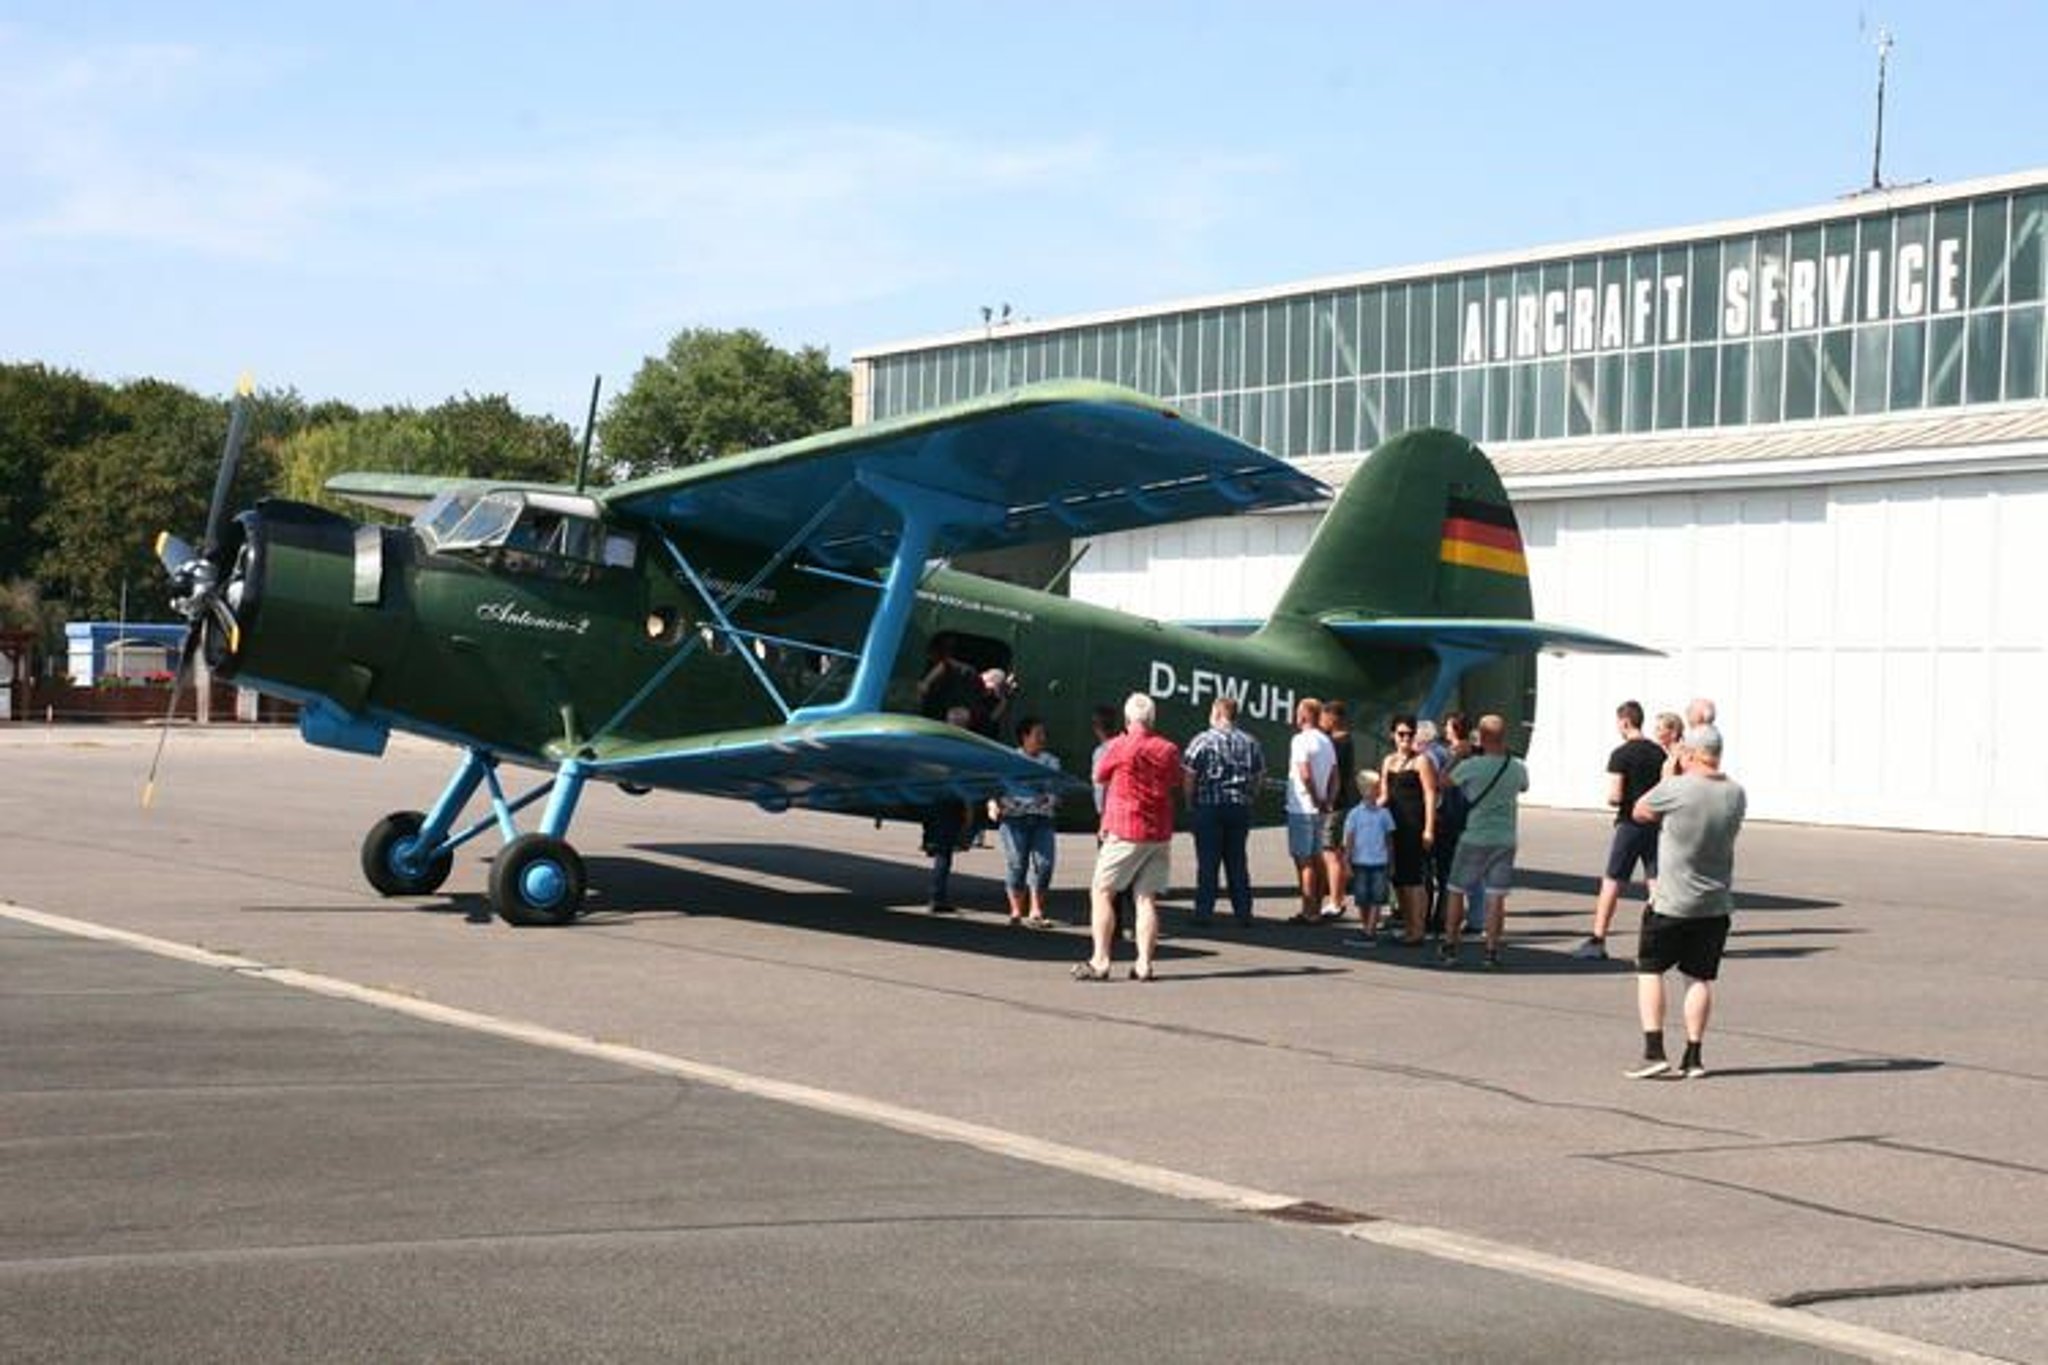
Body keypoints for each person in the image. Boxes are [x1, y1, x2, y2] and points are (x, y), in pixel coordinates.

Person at [1625, 723, 1746, 1080]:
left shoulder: (1677, 789)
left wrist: (1667, 774)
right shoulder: (1736, 793)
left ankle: (1654, 1051)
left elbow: (1639, 811)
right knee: (1699, 978)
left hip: (1672, 900)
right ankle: (1694, 1055)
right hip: (1715, 902)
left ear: (1689, 753)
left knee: (1650, 970)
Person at [1077, 692, 1181, 982]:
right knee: (1146, 898)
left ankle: (1100, 959)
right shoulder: (1168, 749)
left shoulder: (1120, 746)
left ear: (1126, 719)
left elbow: (1099, 775)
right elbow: (1174, 779)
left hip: (1125, 829)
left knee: (1102, 891)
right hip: (1158, 832)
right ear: (1152, 719)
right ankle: (1144, 964)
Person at [1573, 701, 1670, 960]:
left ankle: (1598, 939)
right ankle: (1661, 939)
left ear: (1625, 722)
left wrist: (1617, 798)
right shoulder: (1659, 753)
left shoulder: (1621, 754)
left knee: (1612, 881)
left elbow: (1616, 795)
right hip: (1655, 823)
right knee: (1656, 884)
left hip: (1629, 823)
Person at [1440, 714, 1529, 969]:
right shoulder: (1516, 767)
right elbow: (1524, 786)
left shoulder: (1473, 765)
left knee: (1456, 889)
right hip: (1505, 838)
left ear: (1481, 736)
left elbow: (1442, 782)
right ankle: (1491, 950)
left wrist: (1459, 755)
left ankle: (1450, 945)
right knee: (1496, 896)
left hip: (1474, 836)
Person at [1181, 695, 1266, 925]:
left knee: (1208, 863)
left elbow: (1189, 775)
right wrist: (1250, 797)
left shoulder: (1202, 741)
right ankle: (1244, 913)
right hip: (1239, 807)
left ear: (1217, 714)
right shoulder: (1250, 742)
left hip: (1209, 806)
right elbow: (1259, 775)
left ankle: (1204, 913)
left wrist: (1189, 804)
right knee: (1237, 861)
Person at [990, 716, 1060, 929]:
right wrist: (992, 803)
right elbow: (995, 786)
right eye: (1037, 734)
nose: (1042, 738)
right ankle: (1016, 911)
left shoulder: (1051, 761)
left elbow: (1056, 790)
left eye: (1043, 734)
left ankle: (1036, 911)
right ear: (1024, 737)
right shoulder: (1009, 759)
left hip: (1042, 819)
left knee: (1045, 865)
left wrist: (1050, 799)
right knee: (1017, 864)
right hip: (1013, 819)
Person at [1378, 713, 1437, 945]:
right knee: (1398, 878)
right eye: (1401, 734)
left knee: (1413, 878)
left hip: (1414, 824)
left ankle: (1417, 930)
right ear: (1393, 735)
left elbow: (1431, 793)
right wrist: (1371, 808)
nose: (1405, 738)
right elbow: (1384, 793)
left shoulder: (1421, 761)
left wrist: (1429, 828)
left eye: (1410, 734)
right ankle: (1408, 925)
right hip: (1394, 824)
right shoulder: (1388, 761)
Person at [1284, 698, 1341, 923]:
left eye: (1298, 712)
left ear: (1305, 716)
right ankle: (1317, 906)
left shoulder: (1300, 740)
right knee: (1317, 859)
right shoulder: (1326, 741)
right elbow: (1335, 775)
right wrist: (1329, 799)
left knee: (1303, 860)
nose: (1296, 716)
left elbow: (1304, 772)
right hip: (1321, 809)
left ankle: (1309, 911)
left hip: (1302, 807)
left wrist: (1316, 797)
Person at [919, 703, 977, 913]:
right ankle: (937, 897)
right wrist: (969, 808)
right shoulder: (961, 748)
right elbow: (962, 782)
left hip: (932, 800)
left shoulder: (935, 744)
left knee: (938, 849)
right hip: (950, 803)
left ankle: (937, 894)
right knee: (945, 854)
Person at [1089, 703, 1136, 938]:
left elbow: (1102, 788)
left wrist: (1102, 820)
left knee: (1108, 879)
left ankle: (1114, 927)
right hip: (1133, 820)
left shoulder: (1103, 752)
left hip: (1112, 820)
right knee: (1133, 876)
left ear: (1097, 728)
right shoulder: (1130, 746)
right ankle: (1138, 921)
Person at [1341, 771, 1396, 945]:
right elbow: (1349, 840)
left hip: (1380, 862)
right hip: (1360, 862)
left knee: (1377, 898)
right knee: (1362, 898)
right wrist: (1346, 861)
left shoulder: (1384, 814)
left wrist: (1391, 861)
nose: (1376, 791)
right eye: (1373, 788)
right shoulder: (1355, 814)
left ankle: (1370, 929)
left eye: (1377, 788)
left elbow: (1389, 840)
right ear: (1362, 791)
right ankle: (1366, 927)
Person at [1320, 700, 1357, 914]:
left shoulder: (1337, 743)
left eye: (1325, 717)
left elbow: (1331, 774)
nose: (1322, 721)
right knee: (1336, 852)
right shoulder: (1343, 740)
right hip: (1342, 802)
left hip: (1336, 803)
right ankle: (1337, 896)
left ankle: (1335, 901)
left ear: (1334, 718)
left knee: (1331, 853)